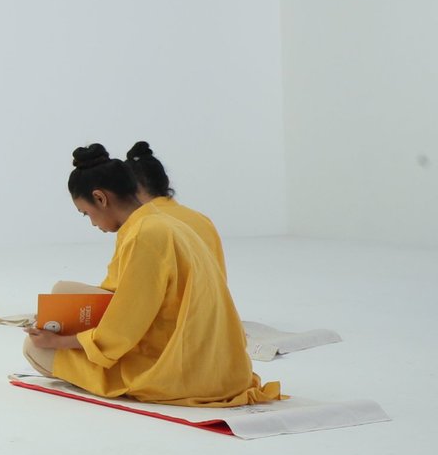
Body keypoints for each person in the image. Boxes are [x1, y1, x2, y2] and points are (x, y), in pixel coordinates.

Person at [23, 145, 279, 406]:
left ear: (100, 198)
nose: (92, 223)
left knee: (34, 350)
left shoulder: (144, 235)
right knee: (61, 291)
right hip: (221, 365)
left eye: (86, 213)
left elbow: (123, 329)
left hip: (188, 372)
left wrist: (61, 340)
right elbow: (123, 297)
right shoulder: (162, 222)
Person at [125, 141, 226, 279]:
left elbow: (133, 287)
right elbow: (219, 278)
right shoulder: (203, 221)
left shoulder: (141, 227)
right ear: (165, 181)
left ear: (131, 188)